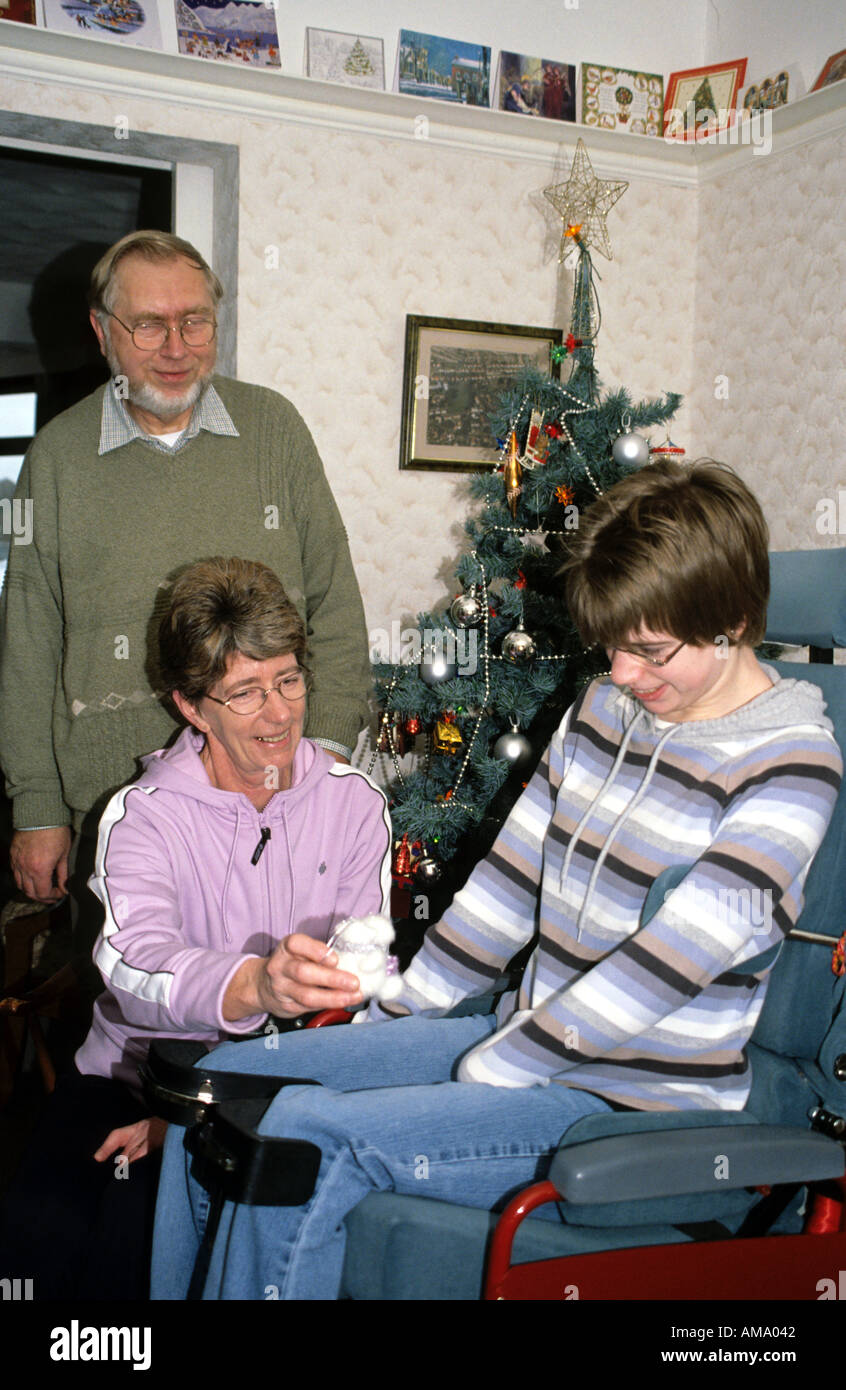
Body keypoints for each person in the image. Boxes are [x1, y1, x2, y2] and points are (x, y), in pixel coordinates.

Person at [149, 459, 842, 1301]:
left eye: (650, 649)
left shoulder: (790, 765)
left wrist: (491, 1064)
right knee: (225, 1084)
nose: (621, 673)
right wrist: (389, 1023)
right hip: (531, 1045)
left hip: (631, 1106)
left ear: (732, 619)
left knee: (306, 1138)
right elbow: (505, 890)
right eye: (613, 644)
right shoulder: (602, 712)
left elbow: (667, 965)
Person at [0, 557, 390, 1299]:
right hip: (133, 1076)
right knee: (45, 1255)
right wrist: (249, 987)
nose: (278, 714)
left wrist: (200, 1123)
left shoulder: (354, 806)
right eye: (244, 693)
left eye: (289, 680)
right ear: (191, 706)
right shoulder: (141, 815)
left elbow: (354, 999)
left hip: (289, 1085)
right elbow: (135, 970)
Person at [0, 229, 370, 951]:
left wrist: (318, 756)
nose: (176, 346)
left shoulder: (275, 430)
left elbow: (336, 607)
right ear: (103, 332)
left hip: (275, 795)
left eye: (194, 320)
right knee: (139, 1026)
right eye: (148, 324)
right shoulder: (58, 459)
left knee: (277, 1010)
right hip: (113, 807)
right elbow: (28, 645)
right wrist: (36, 806)